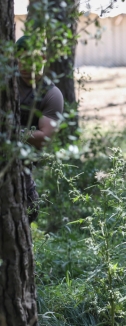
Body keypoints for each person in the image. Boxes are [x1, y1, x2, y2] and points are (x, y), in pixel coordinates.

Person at [16, 35, 64, 222]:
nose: (27, 65)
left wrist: (12, 134)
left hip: (21, 169)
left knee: (28, 211)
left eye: (33, 59)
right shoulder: (6, 82)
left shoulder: (51, 94)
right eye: (22, 59)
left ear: (43, 58)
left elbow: (45, 136)